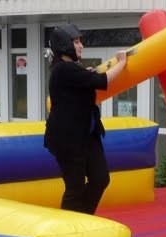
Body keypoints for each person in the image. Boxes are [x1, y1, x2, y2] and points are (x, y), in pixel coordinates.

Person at [44, 24, 129, 214]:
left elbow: (84, 82)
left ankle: (83, 217)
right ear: (64, 45)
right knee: (75, 188)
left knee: (100, 179)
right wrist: (122, 61)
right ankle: (68, 230)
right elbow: (102, 82)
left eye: (80, 41)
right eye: (76, 42)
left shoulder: (72, 69)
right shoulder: (63, 70)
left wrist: (87, 74)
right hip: (66, 140)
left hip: (86, 135)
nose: (81, 45)